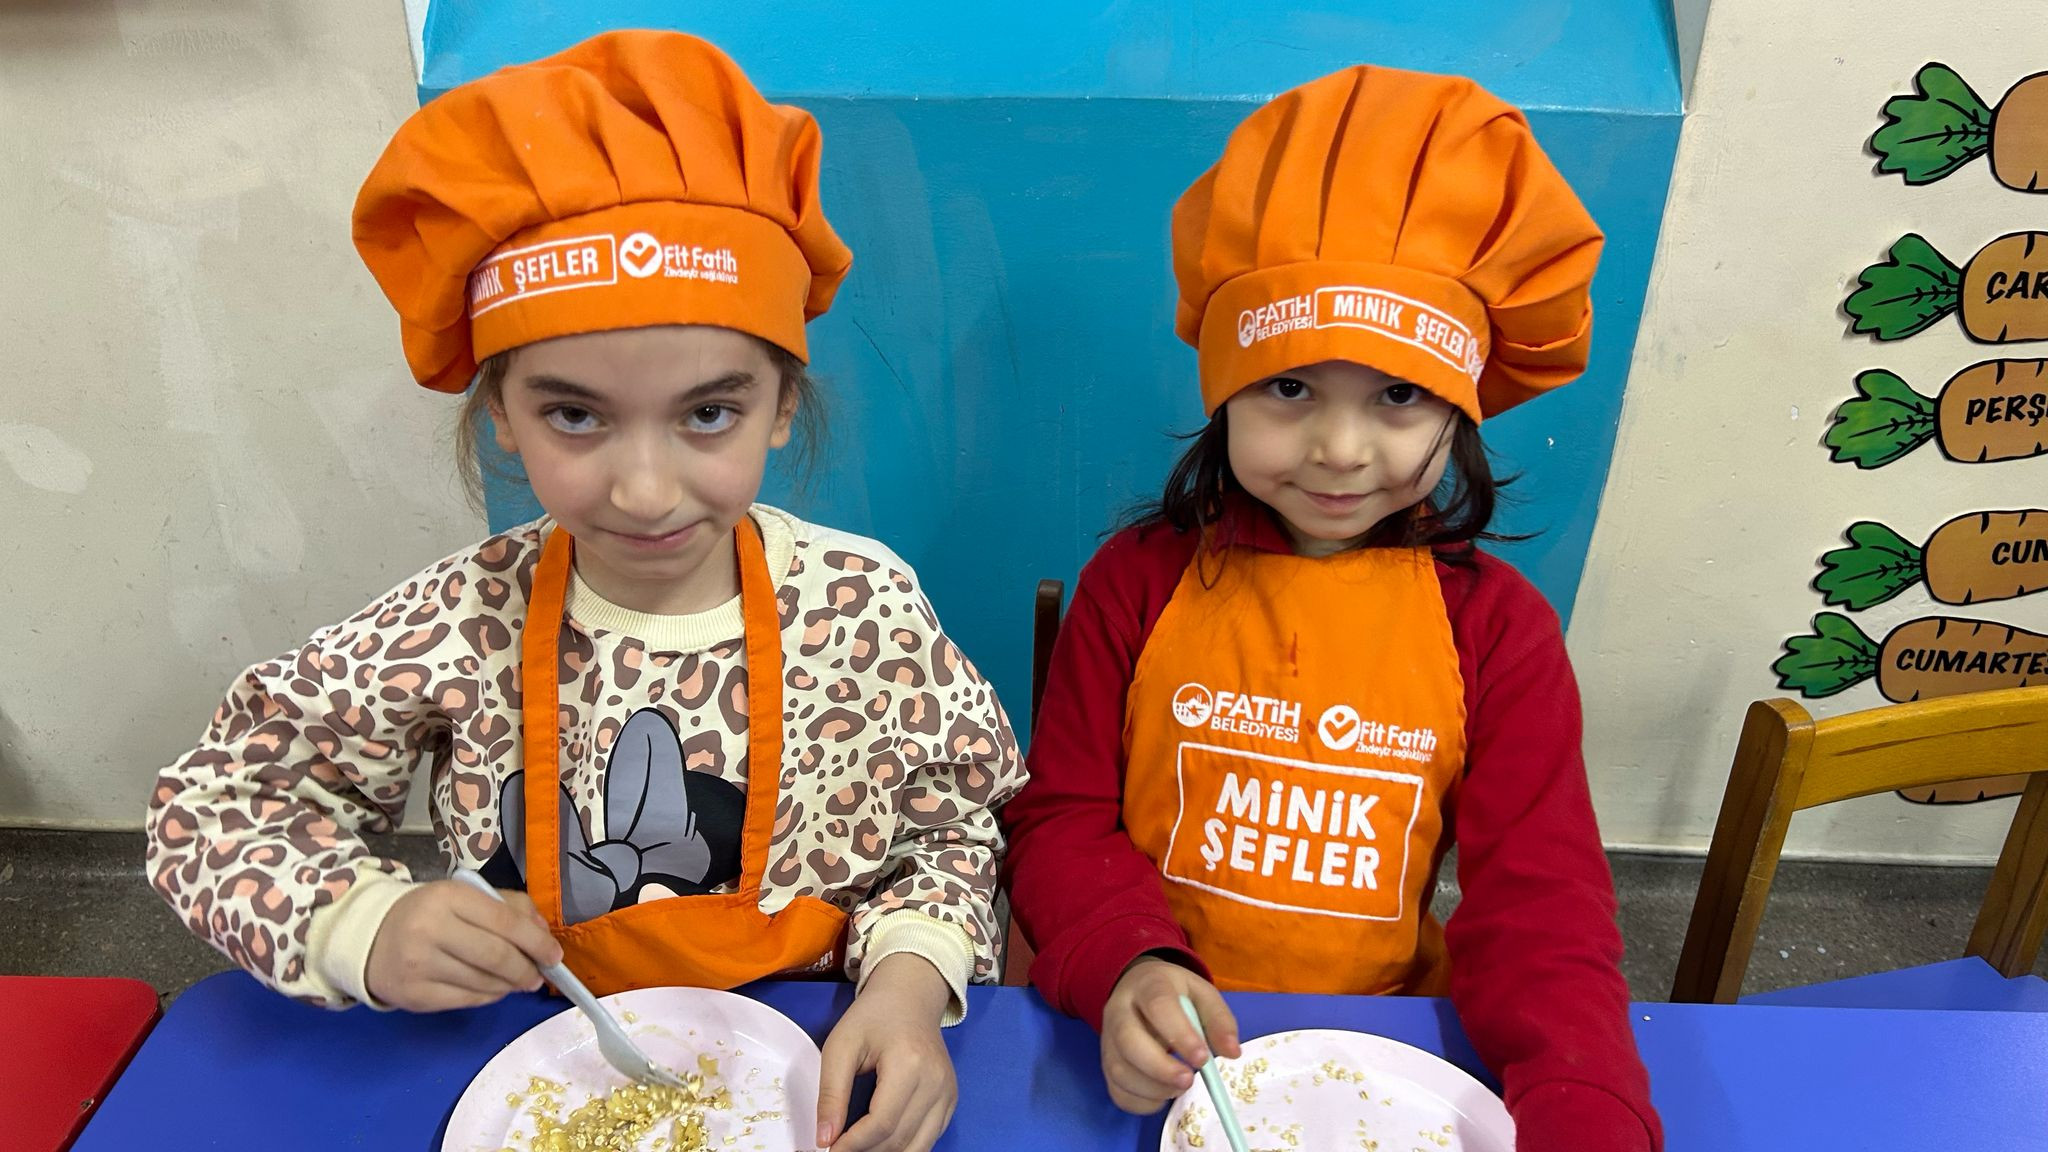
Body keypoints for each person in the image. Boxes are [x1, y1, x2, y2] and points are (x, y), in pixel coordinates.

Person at [144, 30, 1024, 1152]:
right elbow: (216, 805)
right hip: (525, 1074)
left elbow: (952, 832)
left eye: (709, 413)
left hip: (812, 1070)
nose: (645, 490)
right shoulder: (459, 621)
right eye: (574, 415)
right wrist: (364, 926)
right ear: (501, 415)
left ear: (782, 406)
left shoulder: (863, 607)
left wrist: (907, 984)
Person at [1000, 64, 1661, 1152]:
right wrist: (1128, 960)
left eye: (1398, 395)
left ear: (1460, 409)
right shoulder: (1136, 580)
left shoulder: (1496, 629)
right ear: (1224, 388)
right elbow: (1062, 818)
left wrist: (1583, 1101)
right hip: (1147, 1041)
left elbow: (1540, 907)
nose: (1341, 450)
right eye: (1290, 386)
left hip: (1380, 1055)